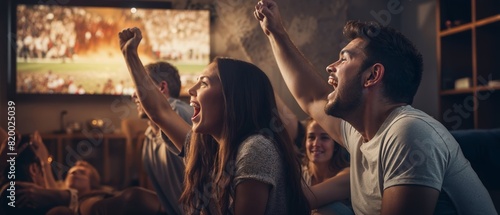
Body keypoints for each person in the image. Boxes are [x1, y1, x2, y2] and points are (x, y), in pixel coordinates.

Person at [254, 0, 497, 214]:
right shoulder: (361, 133)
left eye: (344, 58)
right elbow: (312, 97)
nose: (331, 66)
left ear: (372, 76)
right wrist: (275, 33)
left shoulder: (408, 132)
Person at [119, 27, 310, 215]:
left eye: (203, 83)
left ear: (232, 98)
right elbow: (159, 112)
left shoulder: (256, 148)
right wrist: (130, 55)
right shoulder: (208, 149)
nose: (191, 90)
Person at [132, 61, 193, 215]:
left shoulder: (180, 113)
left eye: (139, 86)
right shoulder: (149, 137)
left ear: (161, 87)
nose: (133, 94)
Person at [301, 118, 352, 215]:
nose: (316, 144)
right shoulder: (299, 174)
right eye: (311, 137)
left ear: (335, 145)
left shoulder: (347, 175)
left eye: (324, 138)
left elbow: (300, 200)